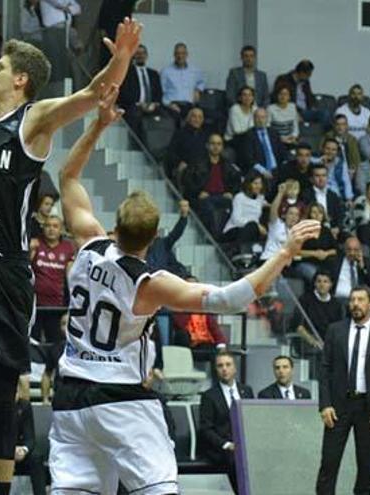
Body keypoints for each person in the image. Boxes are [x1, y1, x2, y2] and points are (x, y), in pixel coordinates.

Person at [49, 82, 319, 495]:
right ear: (156, 237)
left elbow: (68, 176)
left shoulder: (87, 244)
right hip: (121, 399)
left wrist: (99, 125)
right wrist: (283, 253)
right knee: (159, 489)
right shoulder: (150, 284)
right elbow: (232, 298)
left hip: (69, 398)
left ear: (115, 225)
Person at [0, 2, 142, 490]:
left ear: (20, 79)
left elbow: (92, 92)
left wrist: (122, 57)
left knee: (3, 396)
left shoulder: (35, 121)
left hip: (6, 271)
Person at [317, 287, 370, 495]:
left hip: (369, 408)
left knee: (367, 466)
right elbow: (325, 368)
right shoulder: (336, 330)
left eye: (361, 299)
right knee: (329, 463)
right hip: (338, 406)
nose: (355, 304)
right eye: (352, 300)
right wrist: (324, 404)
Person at [199, 351, 254, 492]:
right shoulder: (209, 396)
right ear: (216, 370)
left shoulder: (247, 391)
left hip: (245, 445)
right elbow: (206, 429)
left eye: (228, 365)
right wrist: (227, 445)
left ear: (235, 368)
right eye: (220, 366)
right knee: (236, 460)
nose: (224, 369)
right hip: (222, 448)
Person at [30, 215, 75, 346]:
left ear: (61, 229)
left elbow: (72, 277)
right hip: (36, 306)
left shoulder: (68, 248)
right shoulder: (36, 244)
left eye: (55, 226)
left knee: (55, 344)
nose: (51, 229)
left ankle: (52, 367)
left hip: (57, 306)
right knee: (33, 344)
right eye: (48, 226)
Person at [118, 44, 162, 140]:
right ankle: (137, 146)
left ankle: (158, 149)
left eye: (143, 53)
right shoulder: (127, 73)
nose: (140, 55)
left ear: (146, 55)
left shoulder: (154, 74)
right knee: (134, 115)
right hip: (134, 106)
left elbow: (159, 93)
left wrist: (154, 104)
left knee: (167, 117)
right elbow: (124, 94)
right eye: (137, 53)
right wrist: (140, 104)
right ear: (133, 56)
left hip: (152, 106)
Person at [292, 271, 344, 349]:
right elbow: (299, 327)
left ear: (331, 284)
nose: (322, 285)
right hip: (308, 343)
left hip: (329, 344)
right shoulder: (305, 299)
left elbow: (339, 329)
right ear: (315, 284)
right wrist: (313, 342)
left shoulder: (337, 304)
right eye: (319, 281)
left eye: (325, 281)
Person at [160, 42, 205, 121]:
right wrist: (169, 104)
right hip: (173, 105)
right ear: (174, 55)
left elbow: (201, 81)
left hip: (190, 105)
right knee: (175, 118)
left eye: (183, 53)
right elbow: (161, 92)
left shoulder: (195, 70)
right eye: (177, 53)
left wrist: (198, 90)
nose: (180, 56)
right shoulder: (165, 71)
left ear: (187, 54)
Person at [331, 236, 370, 302]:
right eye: (349, 249)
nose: (352, 253)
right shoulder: (335, 261)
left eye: (355, 250)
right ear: (344, 249)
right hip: (338, 299)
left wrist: (363, 267)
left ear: (360, 250)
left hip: (359, 300)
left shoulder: (366, 262)